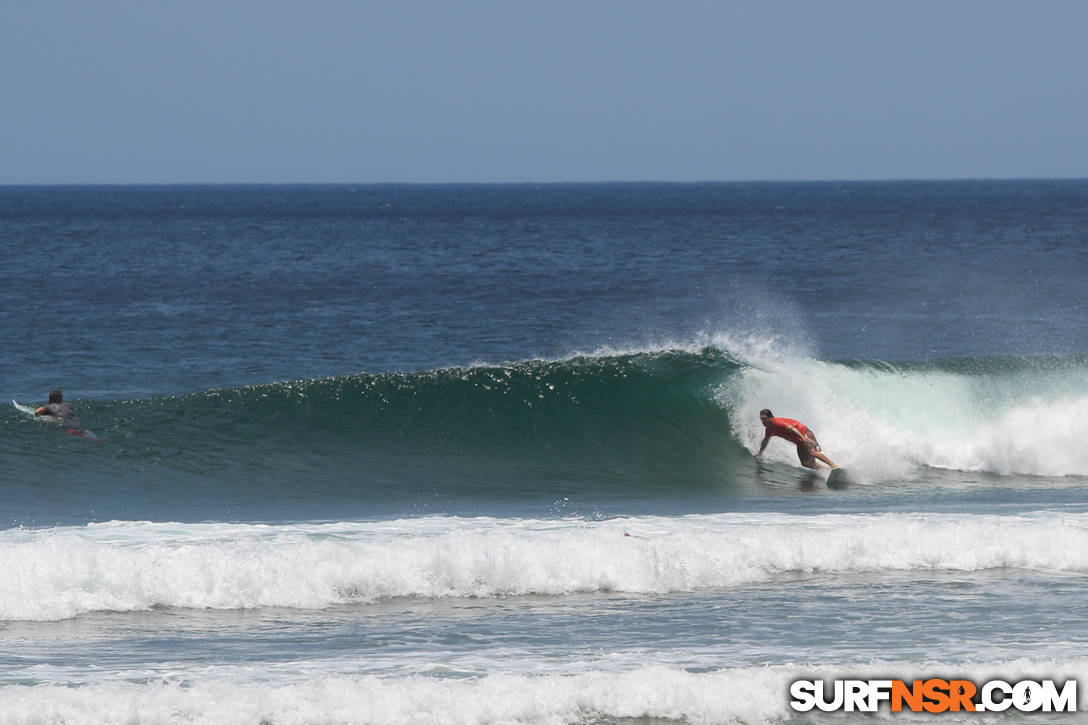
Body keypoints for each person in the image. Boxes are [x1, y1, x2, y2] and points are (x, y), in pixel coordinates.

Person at [756, 408, 838, 469]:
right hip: (799, 442)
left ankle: (833, 465)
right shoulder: (769, 429)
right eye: (761, 419)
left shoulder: (776, 422)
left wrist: (803, 437)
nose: (762, 421)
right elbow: (765, 440)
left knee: (813, 452)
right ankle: (825, 469)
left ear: (770, 417)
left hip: (804, 433)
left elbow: (791, 428)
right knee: (806, 463)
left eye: (764, 418)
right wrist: (760, 452)